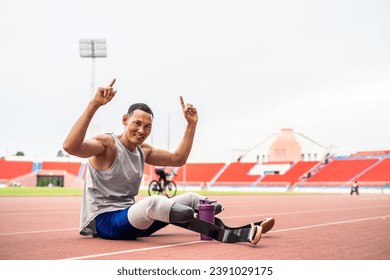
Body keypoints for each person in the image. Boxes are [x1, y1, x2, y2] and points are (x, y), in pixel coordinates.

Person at [63, 79, 274, 243]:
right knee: (154, 202)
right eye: (137, 123)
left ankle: (231, 228)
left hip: (135, 219)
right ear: (124, 120)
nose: (142, 130)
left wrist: (191, 124)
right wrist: (94, 104)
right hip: (106, 221)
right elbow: (70, 147)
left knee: (192, 198)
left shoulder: (142, 151)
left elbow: (178, 158)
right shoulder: (106, 145)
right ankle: (224, 233)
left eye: (148, 126)